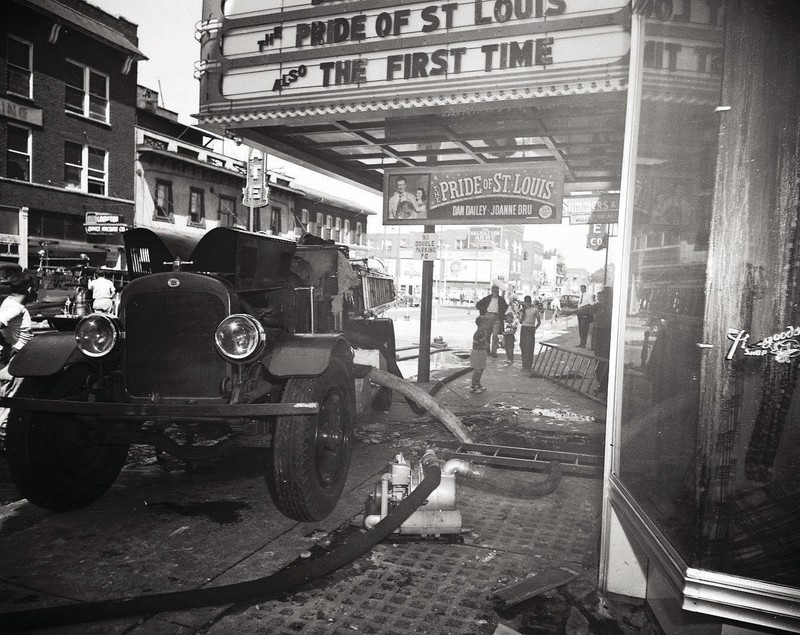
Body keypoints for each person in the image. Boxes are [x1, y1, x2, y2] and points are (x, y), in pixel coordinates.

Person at [0, 270, 37, 444]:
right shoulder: (16, 308)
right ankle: (5, 435)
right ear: (30, 289)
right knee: (13, 398)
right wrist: (11, 346)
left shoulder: (8, 302)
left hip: (15, 356)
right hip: (18, 361)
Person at [565, 286, 613, 396]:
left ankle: (606, 386)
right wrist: (572, 311)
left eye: (603, 295)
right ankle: (601, 384)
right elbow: (585, 310)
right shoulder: (599, 306)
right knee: (599, 359)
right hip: (599, 334)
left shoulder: (612, 308)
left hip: (606, 334)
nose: (600, 297)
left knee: (604, 360)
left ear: (608, 297)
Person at [475, 284, 508, 357]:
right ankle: (487, 351)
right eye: (494, 291)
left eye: (497, 291)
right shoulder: (487, 298)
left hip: (497, 317)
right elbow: (478, 305)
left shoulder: (501, 300)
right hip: (488, 316)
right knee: (487, 334)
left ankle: (494, 352)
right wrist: (483, 312)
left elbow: (506, 308)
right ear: (492, 291)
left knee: (495, 335)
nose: (496, 292)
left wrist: (504, 315)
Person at [519, 295, 542, 371]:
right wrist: (522, 315)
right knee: (523, 345)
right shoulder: (523, 310)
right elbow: (520, 321)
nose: (527, 303)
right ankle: (524, 365)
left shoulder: (534, 310)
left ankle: (528, 366)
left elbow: (539, 322)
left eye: (528, 302)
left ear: (530, 302)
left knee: (529, 347)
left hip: (530, 327)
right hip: (524, 327)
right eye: (526, 302)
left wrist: (535, 328)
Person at [470, 315, 489, 393]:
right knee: (477, 369)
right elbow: (475, 345)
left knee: (481, 368)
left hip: (482, 352)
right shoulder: (478, 333)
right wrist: (484, 346)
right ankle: (473, 386)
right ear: (481, 324)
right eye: (485, 323)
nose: (487, 325)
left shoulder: (483, 332)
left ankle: (478, 383)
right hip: (477, 352)